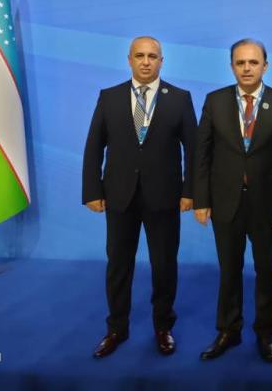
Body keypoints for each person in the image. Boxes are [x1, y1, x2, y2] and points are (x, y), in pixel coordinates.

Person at [83, 36, 196, 358]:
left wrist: (190, 192)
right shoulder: (110, 97)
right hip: (119, 196)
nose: (146, 61)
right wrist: (92, 190)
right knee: (118, 265)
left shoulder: (179, 98)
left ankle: (163, 326)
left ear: (162, 61)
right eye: (140, 56)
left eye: (152, 56)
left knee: (164, 265)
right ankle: (116, 328)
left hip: (165, 197)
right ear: (129, 60)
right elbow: (94, 146)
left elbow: (194, 149)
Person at [193, 38, 272, 363]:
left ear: (265, 66)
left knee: (266, 271)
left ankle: (265, 332)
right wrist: (201, 200)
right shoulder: (215, 101)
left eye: (253, 62)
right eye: (241, 63)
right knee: (229, 270)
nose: (247, 68)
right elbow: (202, 154)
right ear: (232, 67)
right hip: (225, 203)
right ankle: (229, 330)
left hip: (268, 205)